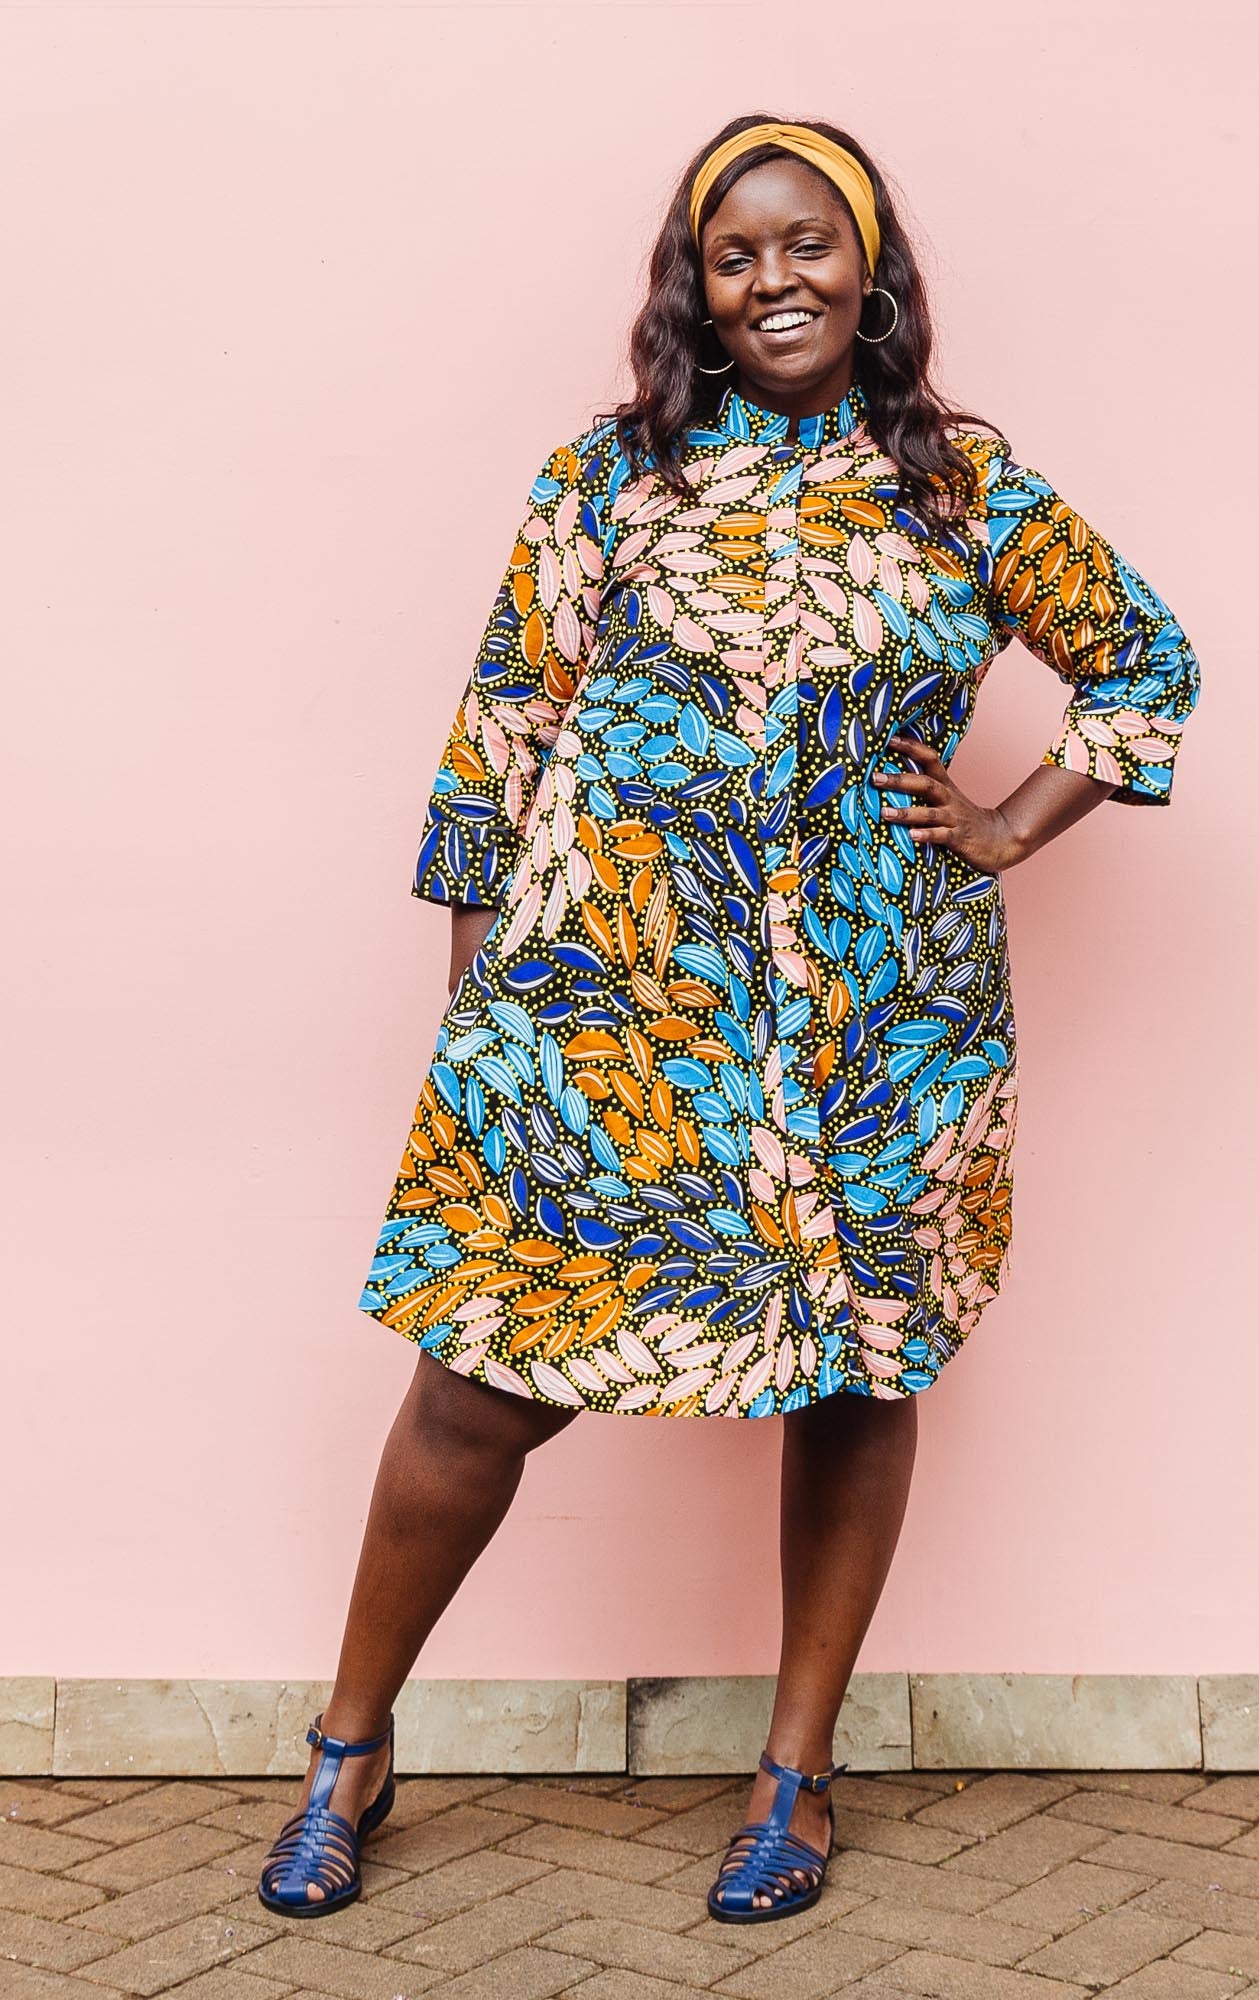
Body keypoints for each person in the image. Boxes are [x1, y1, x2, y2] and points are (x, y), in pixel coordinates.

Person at [258, 113, 1201, 1922]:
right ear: (692, 287)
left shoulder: (959, 482)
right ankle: (351, 1750)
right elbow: (501, 738)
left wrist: (1009, 823)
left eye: (806, 243)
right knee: (478, 1384)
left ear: (872, 266)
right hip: (618, 1007)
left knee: (857, 1369)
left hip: (879, 1018)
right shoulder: (604, 480)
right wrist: (488, 1018)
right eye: (733, 254)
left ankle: (795, 1777)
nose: (773, 279)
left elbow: (1143, 659)